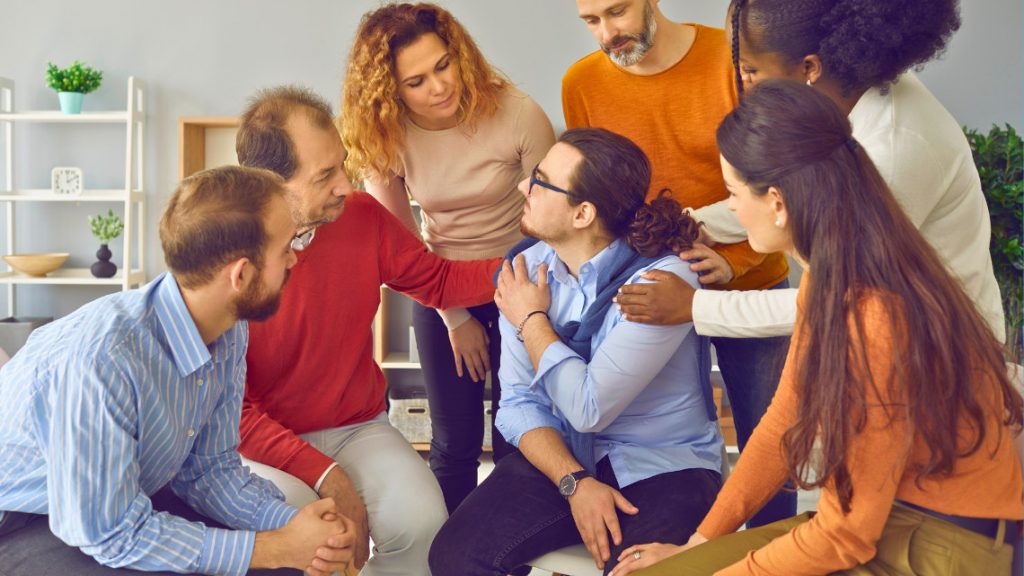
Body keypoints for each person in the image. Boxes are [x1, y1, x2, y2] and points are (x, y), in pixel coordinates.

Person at [610, 79, 1023, 576]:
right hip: (883, 519)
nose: (732, 209)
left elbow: (845, 535)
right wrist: (696, 546)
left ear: (779, 203)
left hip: (942, 544)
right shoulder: (830, 277)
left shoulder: (873, 317)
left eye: (734, 192)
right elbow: (782, 422)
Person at [0, 166, 356, 576]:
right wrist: (274, 548)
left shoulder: (227, 328)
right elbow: (111, 534)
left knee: (295, 563)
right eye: (285, 248)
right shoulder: (104, 360)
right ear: (240, 275)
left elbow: (208, 470)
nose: (294, 257)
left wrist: (300, 529)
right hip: (23, 520)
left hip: (122, 500)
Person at [617, 0, 1006, 347]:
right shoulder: (842, 95)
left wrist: (695, 307)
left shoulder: (893, 148)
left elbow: (838, 295)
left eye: (751, 70)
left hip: (944, 353)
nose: (743, 84)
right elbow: (783, 199)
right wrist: (694, 224)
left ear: (809, 67)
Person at [428, 128, 724, 576]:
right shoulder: (525, 269)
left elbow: (589, 408)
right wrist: (574, 481)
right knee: (452, 557)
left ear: (583, 213)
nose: (523, 188)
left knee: (640, 572)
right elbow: (518, 405)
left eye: (541, 182)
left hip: (662, 465)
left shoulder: (660, 283)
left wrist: (532, 321)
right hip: (565, 461)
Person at [234, 85, 502, 576]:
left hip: (356, 426)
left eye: (341, 164)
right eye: (325, 175)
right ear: (270, 186)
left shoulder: (359, 215)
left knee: (424, 525)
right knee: (313, 539)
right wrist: (328, 477)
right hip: (261, 443)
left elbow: (437, 280)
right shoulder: (228, 257)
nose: (345, 184)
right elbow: (235, 414)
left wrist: (529, 267)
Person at [564, 0, 794, 527]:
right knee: (670, 455)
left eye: (616, 12)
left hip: (748, 284)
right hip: (649, 295)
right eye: (591, 21)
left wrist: (732, 259)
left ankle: (772, 558)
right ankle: (686, 552)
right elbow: (600, 197)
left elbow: (778, 179)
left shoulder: (731, 59)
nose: (607, 33)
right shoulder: (580, 82)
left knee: (771, 442)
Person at [341, 2, 557, 514]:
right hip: (440, 287)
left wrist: (522, 308)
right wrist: (454, 315)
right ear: (389, 91)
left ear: (459, 53)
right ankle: (447, 561)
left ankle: (508, 559)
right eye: (415, 82)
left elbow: (553, 224)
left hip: (524, 281)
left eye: (443, 65)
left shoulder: (518, 113)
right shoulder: (385, 135)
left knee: (519, 440)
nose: (438, 87)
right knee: (454, 445)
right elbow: (402, 247)